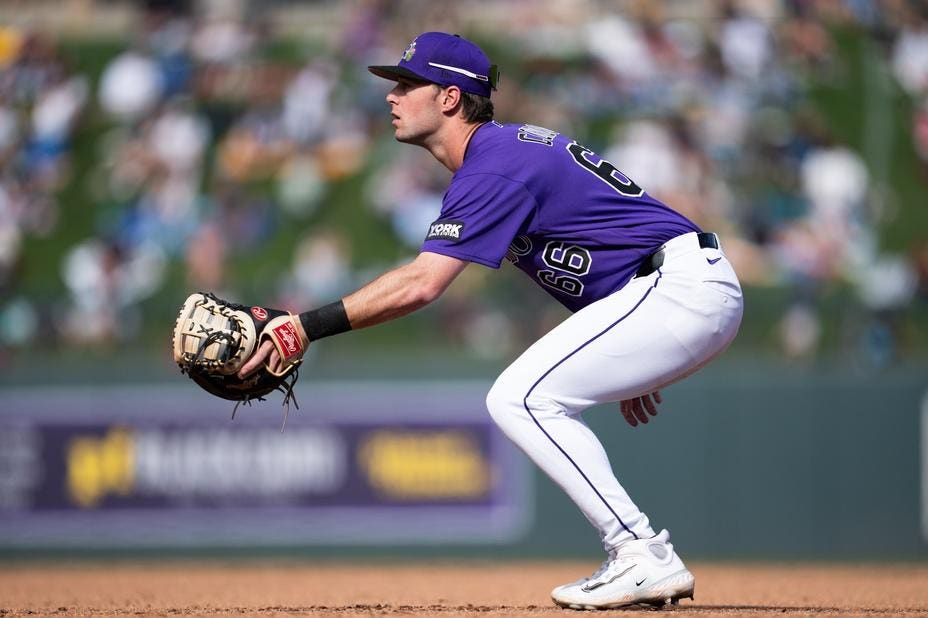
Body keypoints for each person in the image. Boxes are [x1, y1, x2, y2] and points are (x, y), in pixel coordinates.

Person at [239, 31, 743, 610]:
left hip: (678, 288)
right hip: (674, 287)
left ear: (450, 97)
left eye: (407, 84)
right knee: (530, 396)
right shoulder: (502, 153)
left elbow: (422, 284)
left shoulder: (493, 166)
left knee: (519, 398)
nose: (392, 96)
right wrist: (632, 349)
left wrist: (304, 327)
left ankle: (639, 551)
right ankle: (637, 552)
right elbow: (602, 241)